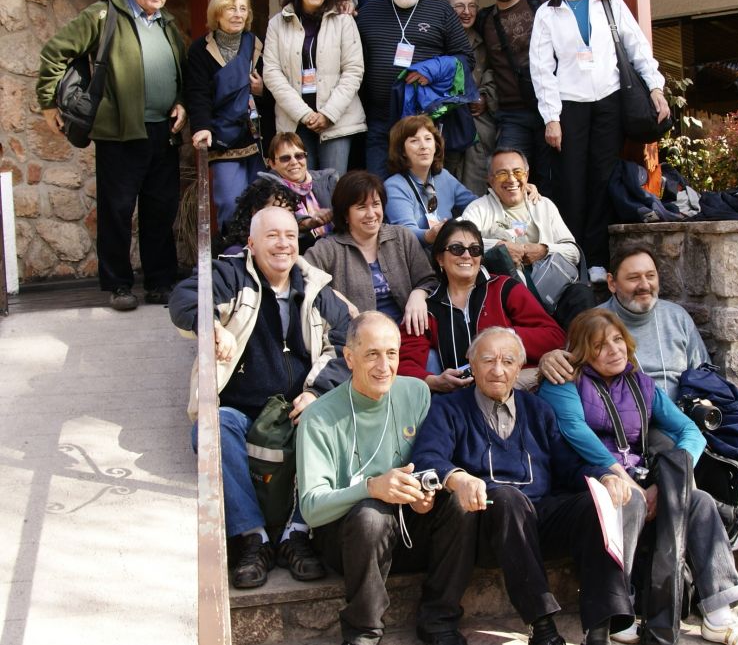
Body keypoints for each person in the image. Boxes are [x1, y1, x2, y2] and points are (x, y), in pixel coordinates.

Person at [538, 309, 738, 645]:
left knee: (697, 501)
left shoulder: (641, 384)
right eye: (599, 345)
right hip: (587, 479)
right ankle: (618, 610)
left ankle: (718, 610)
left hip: (640, 477)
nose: (613, 350)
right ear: (583, 351)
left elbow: (690, 430)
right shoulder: (565, 384)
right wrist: (624, 481)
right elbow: (575, 431)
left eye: (617, 340)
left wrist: (667, 483)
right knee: (625, 502)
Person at [411, 327, 642, 645]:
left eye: (508, 361)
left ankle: (601, 625)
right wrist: (458, 477)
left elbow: (568, 464)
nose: (497, 369)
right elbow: (427, 458)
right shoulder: (448, 408)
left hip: (537, 519)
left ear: (520, 368)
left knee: (596, 503)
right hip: (486, 525)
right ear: (471, 363)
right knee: (507, 498)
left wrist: (605, 476)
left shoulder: (537, 411)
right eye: (488, 360)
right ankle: (543, 625)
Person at [169, 206, 353, 589]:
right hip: (240, 409)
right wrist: (211, 326)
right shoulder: (229, 275)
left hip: (297, 408)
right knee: (212, 428)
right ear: (251, 244)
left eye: (289, 235)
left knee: (335, 423)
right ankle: (253, 538)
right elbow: (184, 299)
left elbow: (348, 343)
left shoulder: (316, 288)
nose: (283, 243)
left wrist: (317, 393)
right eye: (272, 236)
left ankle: (296, 535)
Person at [297, 311, 475, 645]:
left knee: (459, 505)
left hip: (408, 529)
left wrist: (426, 494)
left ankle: (439, 620)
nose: (384, 366)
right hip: (350, 542)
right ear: (349, 358)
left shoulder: (416, 392)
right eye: (372, 355)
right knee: (370, 515)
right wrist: (370, 488)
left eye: (391, 353)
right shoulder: (318, 417)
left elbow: (427, 461)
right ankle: (363, 632)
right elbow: (311, 508)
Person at [37, 0, 186, 311]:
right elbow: (55, 51)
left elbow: (179, 73)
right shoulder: (103, 15)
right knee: (117, 211)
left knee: (160, 210)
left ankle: (159, 282)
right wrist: (48, 102)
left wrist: (181, 101)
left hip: (162, 132)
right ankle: (119, 285)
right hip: (119, 134)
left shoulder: (168, 23)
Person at [529, 0, 670, 275]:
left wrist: (655, 86)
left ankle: (596, 259)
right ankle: (572, 256)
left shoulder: (606, 0)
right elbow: (541, 68)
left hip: (609, 102)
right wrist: (552, 118)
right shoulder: (547, 13)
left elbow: (636, 45)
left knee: (602, 180)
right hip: (570, 106)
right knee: (572, 184)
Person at [475, 0, 614, 196]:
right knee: (505, 176)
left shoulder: (543, 6)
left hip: (549, 110)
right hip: (510, 115)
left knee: (552, 178)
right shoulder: (484, 19)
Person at [398, 218, 565, 393]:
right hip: (465, 396)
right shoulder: (428, 308)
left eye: (474, 250)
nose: (467, 255)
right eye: (457, 249)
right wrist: (433, 381)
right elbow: (403, 362)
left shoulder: (504, 288)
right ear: (440, 258)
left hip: (519, 385)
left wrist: (507, 335)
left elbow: (555, 337)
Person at [355, 0, 475, 179]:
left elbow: (466, 59)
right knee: (379, 188)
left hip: (426, 124)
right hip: (380, 123)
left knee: (425, 189)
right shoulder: (368, 12)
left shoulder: (441, 11)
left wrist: (431, 70)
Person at [539, 245, 708, 399]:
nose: (644, 285)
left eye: (650, 276)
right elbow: (569, 371)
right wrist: (549, 359)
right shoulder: (592, 322)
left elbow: (704, 374)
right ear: (612, 283)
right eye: (634, 278)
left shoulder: (677, 316)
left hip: (685, 416)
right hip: (625, 422)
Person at [461, 148, 595, 329]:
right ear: (490, 179)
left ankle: (580, 354)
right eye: (502, 174)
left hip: (553, 289)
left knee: (581, 294)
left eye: (517, 172)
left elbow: (573, 251)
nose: (511, 179)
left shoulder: (543, 205)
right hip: (507, 293)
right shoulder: (478, 209)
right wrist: (501, 247)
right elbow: (462, 243)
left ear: (527, 174)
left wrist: (544, 249)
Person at [264, 0, 366, 175]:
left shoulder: (343, 20)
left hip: (337, 122)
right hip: (295, 122)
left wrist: (328, 114)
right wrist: (304, 114)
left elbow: (353, 70)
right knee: (299, 190)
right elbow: (271, 73)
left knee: (333, 188)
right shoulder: (277, 24)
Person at [304, 171, 439, 335]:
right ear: (346, 214)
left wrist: (419, 294)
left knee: (431, 359)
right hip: (358, 340)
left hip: (408, 333)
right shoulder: (329, 248)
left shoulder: (401, 236)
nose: (371, 214)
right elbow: (303, 275)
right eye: (361, 207)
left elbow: (428, 279)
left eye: (376, 204)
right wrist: (337, 297)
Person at [185, 0, 266, 229]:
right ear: (217, 13)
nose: (238, 14)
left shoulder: (256, 45)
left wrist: (262, 90)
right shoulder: (200, 49)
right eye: (231, 8)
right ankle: (231, 260)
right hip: (222, 137)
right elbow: (197, 93)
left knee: (263, 204)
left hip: (256, 137)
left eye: (243, 9)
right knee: (231, 204)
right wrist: (201, 126)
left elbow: (273, 84)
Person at [383, 115, 477, 246]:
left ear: (435, 146)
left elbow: (475, 206)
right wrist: (429, 235)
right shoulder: (393, 186)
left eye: (428, 139)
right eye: (414, 141)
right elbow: (405, 233)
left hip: (450, 252)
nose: (423, 146)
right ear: (402, 151)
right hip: (416, 258)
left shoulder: (443, 176)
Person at [441, 0, 497, 195]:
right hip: (448, 125)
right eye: (459, 6)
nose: (466, 12)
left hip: (479, 126)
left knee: (477, 185)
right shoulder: (438, 39)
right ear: (447, 8)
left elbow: (494, 73)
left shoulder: (484, 41)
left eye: (472, 6)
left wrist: (485, 96)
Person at [257, 131, 337, 251]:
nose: (294, 162)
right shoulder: (266, 189)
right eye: (285, 158)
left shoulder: (327, 179)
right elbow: (278, 222)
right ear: (272, 163)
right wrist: (309, 223)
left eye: (299, 156)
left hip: (335, 246)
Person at [218, 176, 302, 256]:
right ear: (255, 213)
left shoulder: (294, 248)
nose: (283, 218)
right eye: (276, 211)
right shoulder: (236, 254)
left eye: (289, 212)